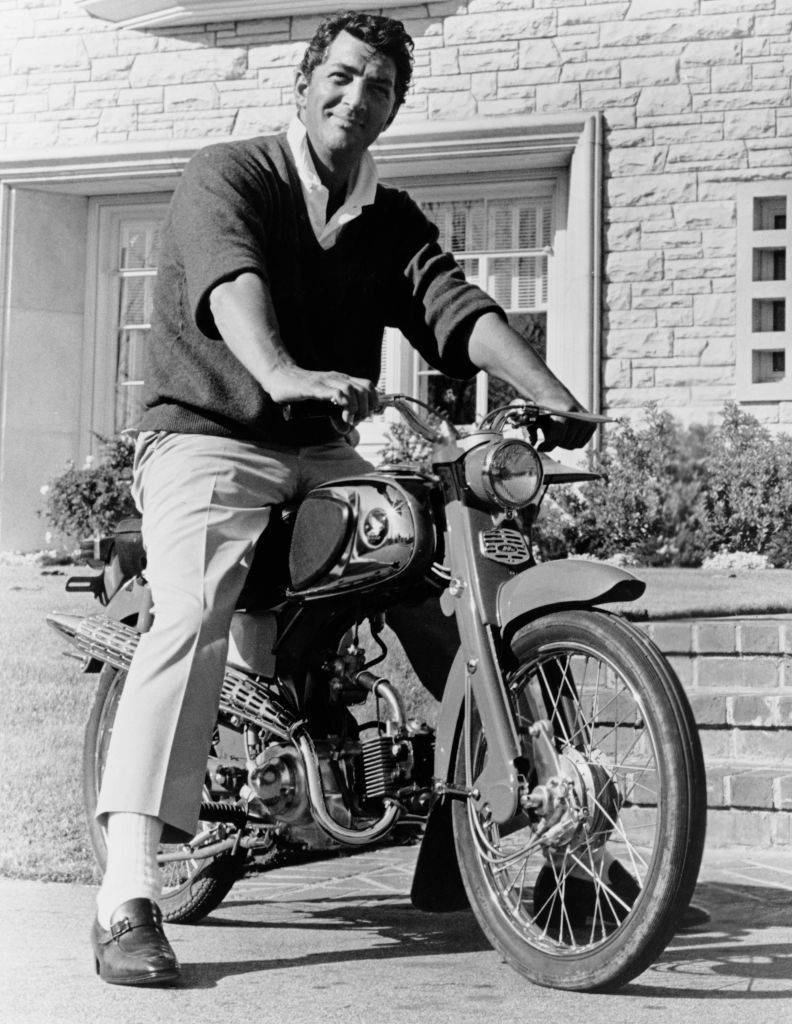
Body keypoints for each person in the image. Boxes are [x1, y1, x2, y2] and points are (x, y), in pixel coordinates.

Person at [90, 11, 595, 987]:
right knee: (192, 607)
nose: (356, 98)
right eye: (343, 76)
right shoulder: (228, 175)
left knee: (440, 574)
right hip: (206, 431)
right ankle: (127, 894)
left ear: (394, 110)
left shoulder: (386, 217)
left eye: (380, 88)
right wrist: (279, 369)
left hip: (319, 446)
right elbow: (233, 280)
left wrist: (550, 395)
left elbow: (457, 308)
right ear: (304, 80)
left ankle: (483, 841)